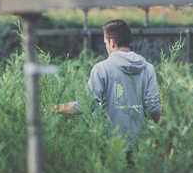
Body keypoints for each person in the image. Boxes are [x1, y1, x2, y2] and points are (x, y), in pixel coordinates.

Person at [53, 20, 162, 161]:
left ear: (112, 42)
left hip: (112, 147)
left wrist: (56, 108)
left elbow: (87, 105)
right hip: (141, 146)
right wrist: (155, 120)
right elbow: (153, 109)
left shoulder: (102, 68)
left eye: (105, 43)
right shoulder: (148, 68)